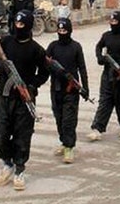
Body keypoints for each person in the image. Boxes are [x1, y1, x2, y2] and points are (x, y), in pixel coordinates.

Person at [0, 10, 49, 191]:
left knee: (22, 136)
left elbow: (44, 73)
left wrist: (32, 86)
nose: (18, 27)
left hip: (24, 101)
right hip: (5, 96)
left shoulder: (37, 50)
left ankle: (19, 169)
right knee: (1, 134)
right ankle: (7, 162)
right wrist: (0, 64)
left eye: (22, 25)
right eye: (16, 24)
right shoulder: (6, 42)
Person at [88, 11, 120, 141]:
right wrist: (101, 58)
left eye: (115, 22)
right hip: (107, 73)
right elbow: (99, 47)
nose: (113, 24)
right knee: (105, 101)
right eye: (111, 22)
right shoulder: (106, 36)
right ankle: (97, 129)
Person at [46, 18, 88, 164]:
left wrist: (85, 87)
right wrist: (55, 70)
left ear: (69, 31)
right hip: (56, 88)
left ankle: (69, 147)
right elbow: (45, 63)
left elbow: (82, 68)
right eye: (59, 30)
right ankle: (64, 143)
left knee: (69, 120)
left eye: (64, 31)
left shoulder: (76, 47)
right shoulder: (52, 46)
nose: (62, 33)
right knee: (59, 118)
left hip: (71, 89)